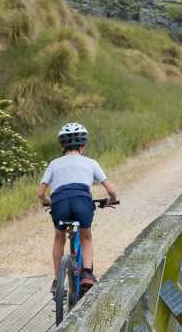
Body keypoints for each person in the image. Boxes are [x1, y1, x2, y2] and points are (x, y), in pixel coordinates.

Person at [37, 122, 120, 293]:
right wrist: (111, 200)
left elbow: (40, 193)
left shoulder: (54, 164)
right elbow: (111, 189)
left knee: (59, 237)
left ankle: (56, 281)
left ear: (62, 145)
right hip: (82, 201)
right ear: (83, 146)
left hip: (59, 203)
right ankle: (87, 274)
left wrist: (48, 201)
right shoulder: (91, 162)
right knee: (86, 237)